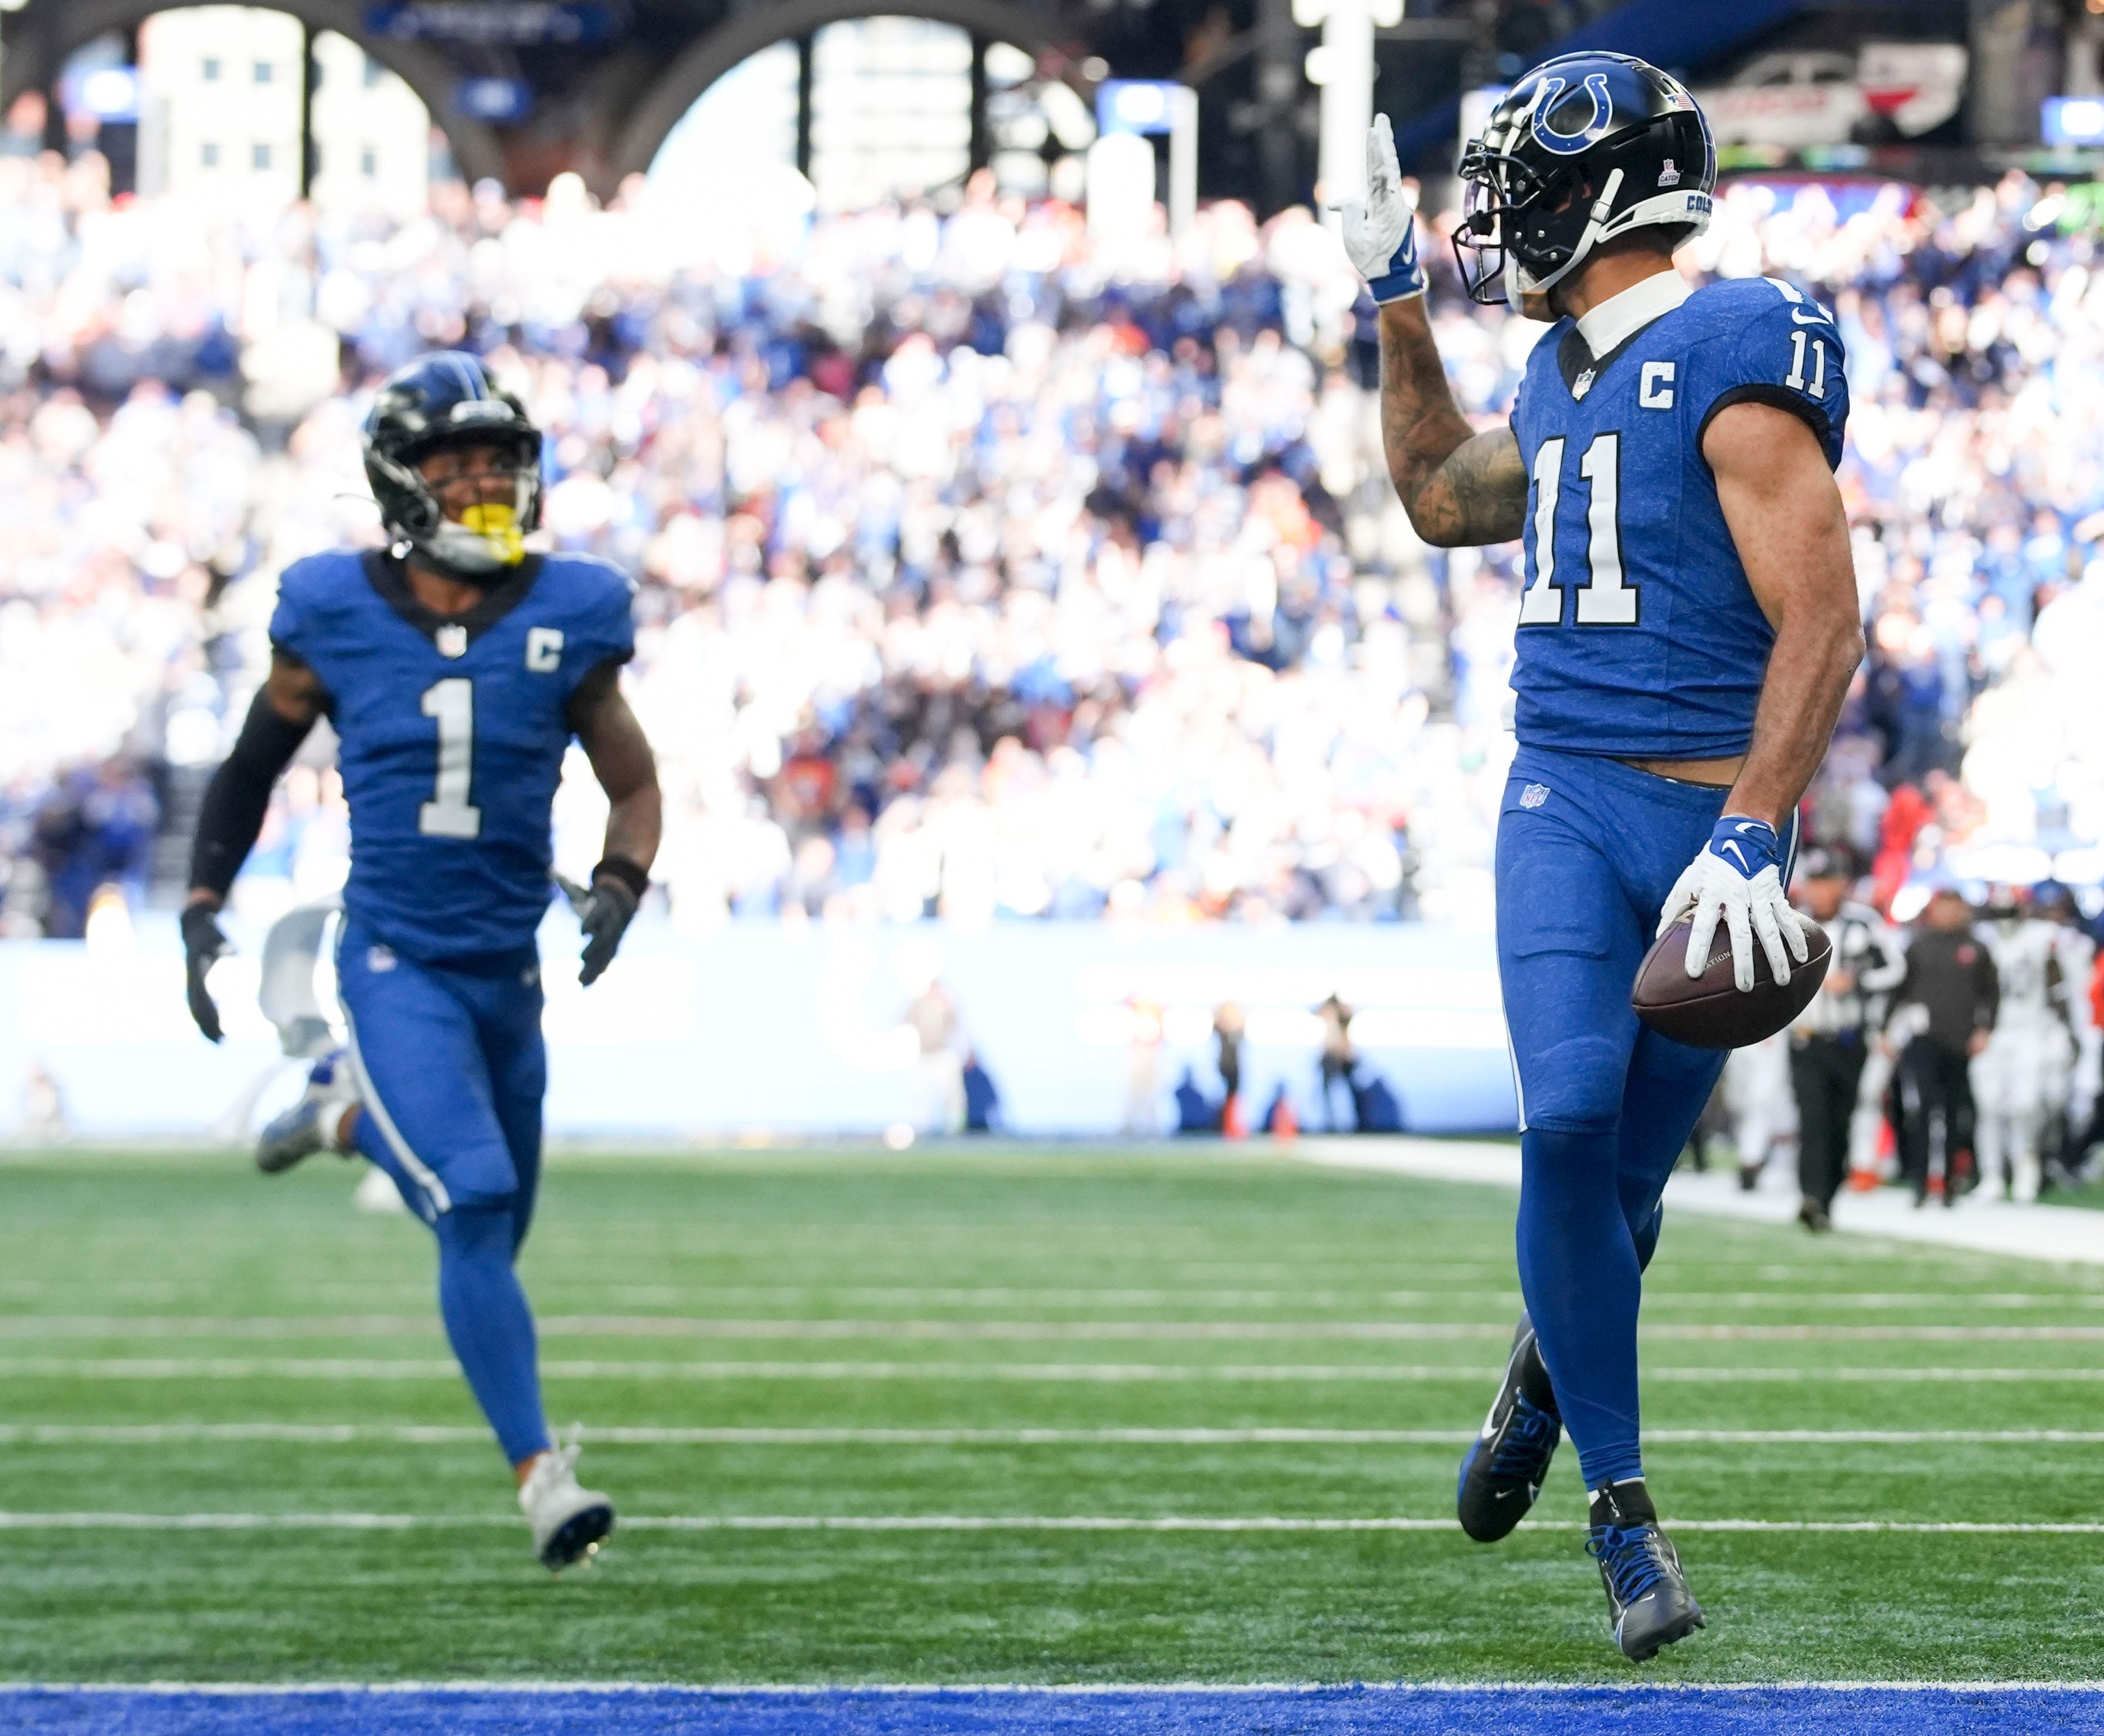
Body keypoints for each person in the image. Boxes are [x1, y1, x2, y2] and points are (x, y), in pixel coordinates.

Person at [1340, 55, 1861, 1659]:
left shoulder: (1731, 349)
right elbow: (1435, 493)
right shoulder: (1558, 376)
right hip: (1560, 794)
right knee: (1564, 1114)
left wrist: (1756, 825)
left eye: (1519, 180)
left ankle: (1542, 1373)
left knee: (1626, 1189)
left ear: (1603, 187)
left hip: (1705, 819)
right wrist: (1390, 303)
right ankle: (1623, 1515)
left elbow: (1823, 618)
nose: (1498, 213)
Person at [179, 352, 659, 1572]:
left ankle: (342, 1115)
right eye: (462, 466)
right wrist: (201, 898)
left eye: (502, 462)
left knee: (492, 1230)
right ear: (403, 483)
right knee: (477, 1193)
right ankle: (542, 1476)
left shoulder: (571, 609)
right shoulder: (334, 608)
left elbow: (633, 778)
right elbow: (249, 764)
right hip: (395, 957)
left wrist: (618, 881)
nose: (491, 483)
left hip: (509, 969)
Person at [1786, 848, 1903, 1230]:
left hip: (1849, 1038)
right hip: (1804, 1036)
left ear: (1842, 884)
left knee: (1839, 1120)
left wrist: (1856, 982)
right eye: (1815, 882)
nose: (1820, 891)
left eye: (1828, 882)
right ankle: (1811, 1196)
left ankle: (1826, 1195)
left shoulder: (1864, 924)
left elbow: (1895, 969)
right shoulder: (1789, 921)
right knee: (1812, 1117)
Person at [1887, 887, 1998, 1207]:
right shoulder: (1918, 945)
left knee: (1954, 1113)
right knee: (1920, 1110)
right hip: (1922, 1040)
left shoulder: (1976, 948)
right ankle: (1919, 1180)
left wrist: (1985, 1029)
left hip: (1959, 1041)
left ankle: (1949, 1181)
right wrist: (1886, 1030)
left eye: (1953, 907)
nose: (1947, 914)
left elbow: (1991, 993)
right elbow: (1899, 990)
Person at [1969, 889, 2068, 1204]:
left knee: (2026, 1104)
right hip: (1993, 1032)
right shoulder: (1981, 938)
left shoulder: (2042, 937)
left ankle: (2027, 1166)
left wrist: (2063, 1030)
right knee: (1988, 1105)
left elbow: (2058, 986)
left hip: (2031, 1029)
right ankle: (1992, 1174)